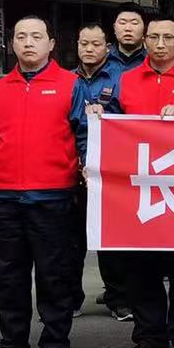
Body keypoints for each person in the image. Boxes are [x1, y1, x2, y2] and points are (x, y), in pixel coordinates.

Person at [0, 16, 89, 348]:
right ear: (12, 44)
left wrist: (88, 170)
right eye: (21, 37)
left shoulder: (71, 85)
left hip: (53, 197)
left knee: (55, 274)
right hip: (5, 197)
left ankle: (55, 341)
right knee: (8, 276)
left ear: (51, 44)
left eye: (36, 36)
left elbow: (85, 136)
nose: (28, 43)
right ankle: (13, 342)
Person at [115, 15, 174, 348]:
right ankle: (148, 338)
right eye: (153, 37)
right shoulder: (125, 80)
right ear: (144, 41)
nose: (161, 44)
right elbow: (109, 127)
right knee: (141, 269)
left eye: (168, 37)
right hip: (137, 190)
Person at [70, 22, 129, 322]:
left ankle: (118, 298)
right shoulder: (68, 81)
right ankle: (70, 299)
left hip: (110, 170)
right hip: (73, 170)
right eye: (84, 43)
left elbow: (132, 121)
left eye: (95, 44)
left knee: (110, 239)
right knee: (72, 239)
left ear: (107, 47)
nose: (89, 49)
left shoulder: (122, 79)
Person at [107, 2, 147, 73]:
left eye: (134, 23)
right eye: (122, 23)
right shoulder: (101, 60)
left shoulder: (153, 61)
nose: (128, 28)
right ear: (114, 28)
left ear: (144, 29)